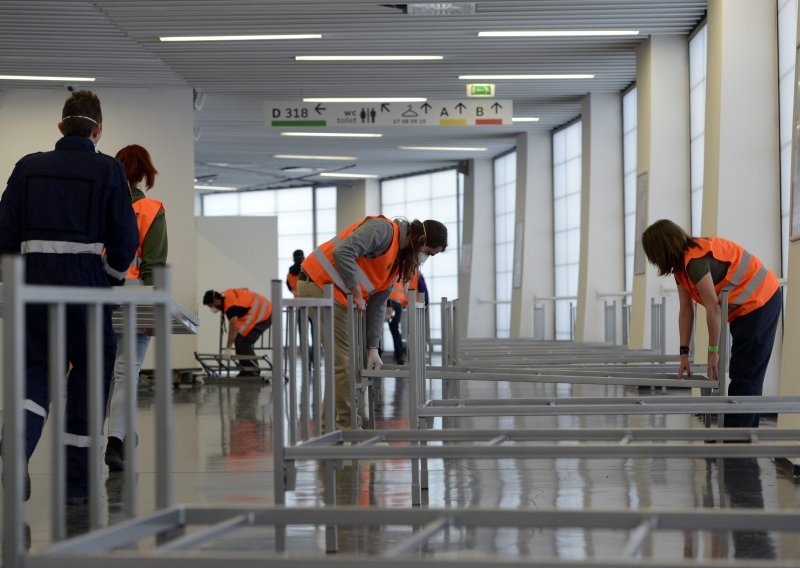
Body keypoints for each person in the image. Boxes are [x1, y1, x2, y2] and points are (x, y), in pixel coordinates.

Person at [0, 90, 139, 503]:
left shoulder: (27, 168)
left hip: (34, 286)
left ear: (60, 127)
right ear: (98, 130)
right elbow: (125, 239)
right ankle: (75, 487)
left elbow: (5, 234)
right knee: (91, 375)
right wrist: (111, 278)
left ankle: (18, 448)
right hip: (85, 287)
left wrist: (15, 281)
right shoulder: (109, 170)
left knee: (36, 370)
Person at [297, 217, 447, 430]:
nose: (425, 258)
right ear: (421, 239)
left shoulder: (397, 259)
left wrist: (372, 347)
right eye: (428, 252)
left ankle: (329, 427)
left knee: (352, 362)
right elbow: (343, 252)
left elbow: (377, 304)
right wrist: (356, 292)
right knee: (345, 362)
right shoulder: (384, 230)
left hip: (338, 293)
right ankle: (347, 430)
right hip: (320, 284)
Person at [641, 219, 781, 428]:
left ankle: (738, 441)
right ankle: (738, 437)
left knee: (745, 373)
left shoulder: (695, 262)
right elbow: (686, 311)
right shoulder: (681, 270)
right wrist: (683, 354)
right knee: (743, 371)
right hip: (745, 308)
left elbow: (713, 309)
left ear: (660, 251)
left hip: (761, 300)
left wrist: (713, 352)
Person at [104, 144, 168, 472]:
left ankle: (105, 436)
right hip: (134, 298)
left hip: (97, 296)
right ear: (144, 173)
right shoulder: (151, 209)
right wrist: (153, 311)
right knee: (126, 371)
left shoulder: (98, 204)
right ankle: (116, 440)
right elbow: (154, 265)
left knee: (98, 372)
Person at [202, 288, 272, 376]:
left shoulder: (230, 306)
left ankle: (253, 371)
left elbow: (233, 328)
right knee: (238, 340)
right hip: (262, 311)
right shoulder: (224, 294)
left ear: (216, 301)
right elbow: (244, 289)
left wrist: (228, 348)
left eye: (211, 305)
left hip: (266, 314)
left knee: (244, 342)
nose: (212, 308)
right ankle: (245, 369)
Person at [386, 270, 429, 365]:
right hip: (400, 303)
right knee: (396, 328)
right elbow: (407, 289)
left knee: (392, 327)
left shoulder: (395, 268)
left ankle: (399, 353)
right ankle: (400, 353)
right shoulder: (406, 270)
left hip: (390, 303)